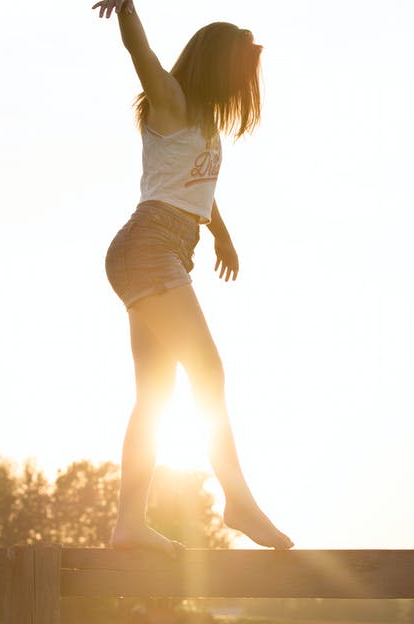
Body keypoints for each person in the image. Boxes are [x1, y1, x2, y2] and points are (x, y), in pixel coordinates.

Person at [92, 0, 293, 554]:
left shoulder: (202, 123)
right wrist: (127, 5)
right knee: (208, 369)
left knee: (154, 395)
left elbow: (196, 188)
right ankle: (239, 500)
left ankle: (128, 525)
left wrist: (220, 232)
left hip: (163, 252)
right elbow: (141, 53)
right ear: (211, 64)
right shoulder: (172, 101)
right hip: (148, 245)